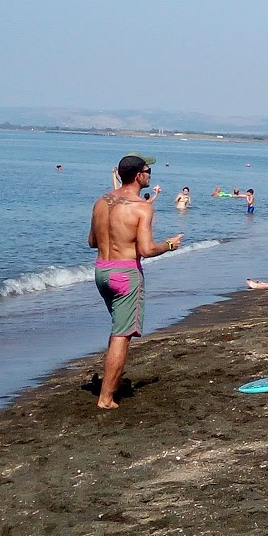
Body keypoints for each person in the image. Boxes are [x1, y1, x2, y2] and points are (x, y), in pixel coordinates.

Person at [86, 155, 183, 409]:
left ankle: (110, 384)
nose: (150, 174)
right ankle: (106, 398)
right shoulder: (142, 207)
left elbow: (92, 242)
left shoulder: (100, 202)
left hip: (101, 271)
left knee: (118, 327)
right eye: (148, 170)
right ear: (139, 176)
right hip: (125, 274)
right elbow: (147, 249)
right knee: (122, 334)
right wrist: (170, 245)